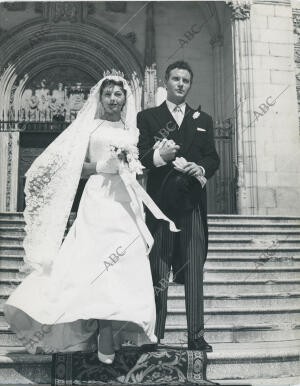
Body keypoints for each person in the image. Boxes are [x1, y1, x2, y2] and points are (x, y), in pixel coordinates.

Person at [4, 72, 179, 364]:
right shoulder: (89, 127)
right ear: (100, 97)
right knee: (96, 262)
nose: (113, 99)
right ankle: (104, 328)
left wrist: (156, 157)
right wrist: (103, 165)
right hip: (99, 198)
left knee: (125, 262)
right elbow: (77, 169)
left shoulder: (132, 130)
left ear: (126, 99)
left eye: (118, 94)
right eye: (108, 94)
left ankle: (121, 327)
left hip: (126, 200)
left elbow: (141, 166)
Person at [137, 61, 220, 352]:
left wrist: (201, 167)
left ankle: (195, 334)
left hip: (192, 205)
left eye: (186, 79)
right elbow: (140, 158)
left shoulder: (204, 120)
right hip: (160, 204)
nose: (181, 84)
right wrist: (160, 154)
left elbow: (213, 157)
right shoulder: (147, 117)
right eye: (175, 79)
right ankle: (154, 334)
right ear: (165, 81)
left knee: (193, 268)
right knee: (157, 270)